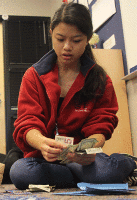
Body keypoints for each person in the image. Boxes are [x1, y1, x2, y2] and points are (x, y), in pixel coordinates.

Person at [9, 2, 136, 189]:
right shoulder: (33, 76)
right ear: (51, 33)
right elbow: (27, 122)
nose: (67, 47)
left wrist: (86, 148)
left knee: (105, 172)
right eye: (60, 39)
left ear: (88, 39)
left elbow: (103, 122)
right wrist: (43, 144)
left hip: (82, 158)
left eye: (76, 41)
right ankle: (85, 178)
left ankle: (127, 162)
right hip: (45, 158)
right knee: (19, 172)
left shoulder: (99, 78)